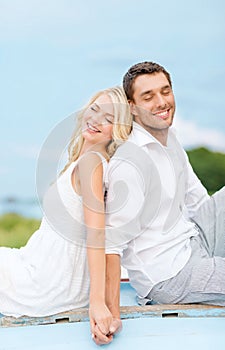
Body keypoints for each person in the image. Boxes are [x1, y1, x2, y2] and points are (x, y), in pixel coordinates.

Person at [93, 61, 225, 344]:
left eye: (165, 91)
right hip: (170, 275)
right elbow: (111, 245)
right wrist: (111, 312)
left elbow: (199, 201)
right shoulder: (131, 164)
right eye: (148, 96)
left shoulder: (171, 139)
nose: (161, 102)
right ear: (132, 106)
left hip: (193, 241)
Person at [0, 86, 132, 345]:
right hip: (40, 266)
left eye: (108, 119)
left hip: (48, 282)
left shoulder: (92, 162)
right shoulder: (86, 161)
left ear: (116, 131)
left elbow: (98, 234)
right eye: (95, 110)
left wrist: (98, 304)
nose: (96, 121)